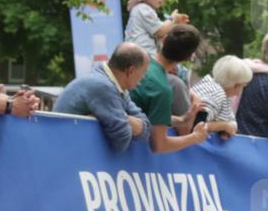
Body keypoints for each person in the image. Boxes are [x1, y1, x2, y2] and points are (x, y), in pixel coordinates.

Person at [53, 42, 151, 152]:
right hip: (65, 150)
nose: (143, 78)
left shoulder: (119, 87)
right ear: (130, 71)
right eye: (143, 72)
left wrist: (123, 117)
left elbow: (147, 128)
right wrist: (127, 121)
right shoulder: (102, 86)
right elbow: (121, 141)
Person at [130, 23, 207, 153]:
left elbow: (147, 117)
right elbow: (159, 145)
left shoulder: (135, 59)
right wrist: (195, 137)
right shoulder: (163, 89)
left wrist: (182, 120)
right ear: (188, 57)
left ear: (164, 39)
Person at [124, 0, 189, 58]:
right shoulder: (143, 9)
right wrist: (172, 18)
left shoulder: (141, 9)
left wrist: (175, 23)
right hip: (142, 58)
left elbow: (161, 32)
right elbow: (161, 31)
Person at [188, 55, 252, 140]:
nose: (243, 89)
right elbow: (195, 125)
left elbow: (232, 123)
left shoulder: (223, 93)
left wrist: (229, 126)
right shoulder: (215, 94)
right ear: (235, 85)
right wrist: (224, 126)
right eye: (243, 85)